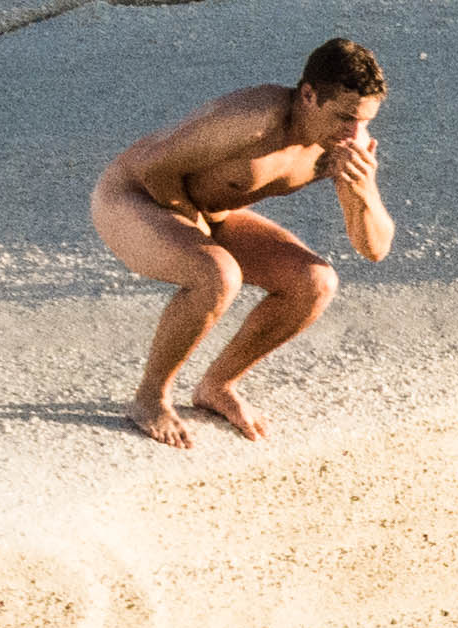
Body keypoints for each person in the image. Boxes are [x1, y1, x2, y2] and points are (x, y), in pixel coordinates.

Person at [94, 37, 396, 447]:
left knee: (316, 282)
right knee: (218, 274)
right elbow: (154, 168)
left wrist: (364, 192)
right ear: (308, 95)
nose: (355, 133)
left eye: (365, 121)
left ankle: (217, 387)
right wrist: (195, 236)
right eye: (345, 117)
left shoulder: (343, 147)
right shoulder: (254, 119)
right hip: (133, 196)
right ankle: (150, 399)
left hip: (210, 212)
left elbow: (374, 248)